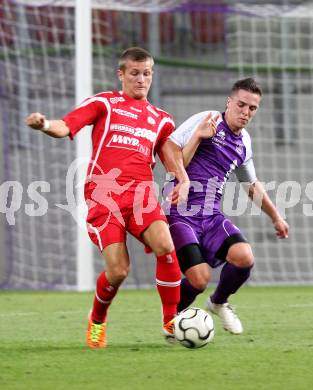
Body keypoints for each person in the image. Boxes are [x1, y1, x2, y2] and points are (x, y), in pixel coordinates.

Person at [25, 47, 189, 348]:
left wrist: (183, 178)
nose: (141, 80)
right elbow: (66, 125)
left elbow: (170, 155)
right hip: (105, 196)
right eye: (135, 73)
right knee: (118, 270)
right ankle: (97, 319)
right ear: (122, 74)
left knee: (166, 245)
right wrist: (45, 125)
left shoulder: (161, 119)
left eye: (147, 73)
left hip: (140, 194)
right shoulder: (105, 103)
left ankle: (170, 321)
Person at [167, 77, 289, 334]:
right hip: (181, 212)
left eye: (252, 108)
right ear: (229, 102)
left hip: (211, 215)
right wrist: (196, 143)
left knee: (244, 257)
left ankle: (219, 302)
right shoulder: (208, 119)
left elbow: (251, 185)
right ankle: (172, 319)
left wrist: (276, 217)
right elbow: (170, 149)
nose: (245, 112)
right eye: (241, 105)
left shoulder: (244, 142)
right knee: (199, 279)